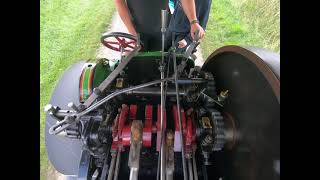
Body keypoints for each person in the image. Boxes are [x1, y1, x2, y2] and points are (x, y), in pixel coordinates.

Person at [113, 0, 211, 52]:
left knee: (164, 63)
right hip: (138, 30)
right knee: (138, 65)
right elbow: (119, 2)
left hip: (165, 29)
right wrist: (132, 33)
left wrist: (193, 21)